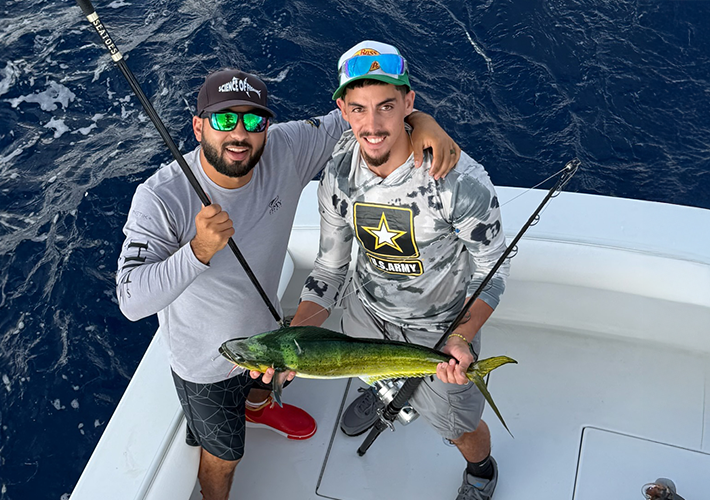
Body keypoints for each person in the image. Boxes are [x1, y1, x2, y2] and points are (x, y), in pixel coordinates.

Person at [115, 68, 461, 500]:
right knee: (224, 454)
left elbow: (362, 116)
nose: (240, 134)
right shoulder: (161, 197)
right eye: (225, 120)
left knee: (265, 383)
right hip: (205, 361)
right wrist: (198, 250)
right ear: (198, 125)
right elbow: (131, 299)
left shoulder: (287, 147)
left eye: (254, 121)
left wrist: (423, 121)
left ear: (268, 126)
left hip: (268, 332)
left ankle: (258, 408)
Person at [288, 41, 510, 500]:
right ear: (343, 111)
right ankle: (385, 390)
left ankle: (482, 470)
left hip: (441, 329)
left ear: (409, 103)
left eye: (387, 106)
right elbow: (330, 267)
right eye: (359, 109)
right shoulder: (337, 177)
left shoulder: (460, 183)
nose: (373, 124)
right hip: (365, 314)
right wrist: (294, 337)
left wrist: (462, 337)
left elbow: (493, 270)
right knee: (370, 371)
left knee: (459, 426)